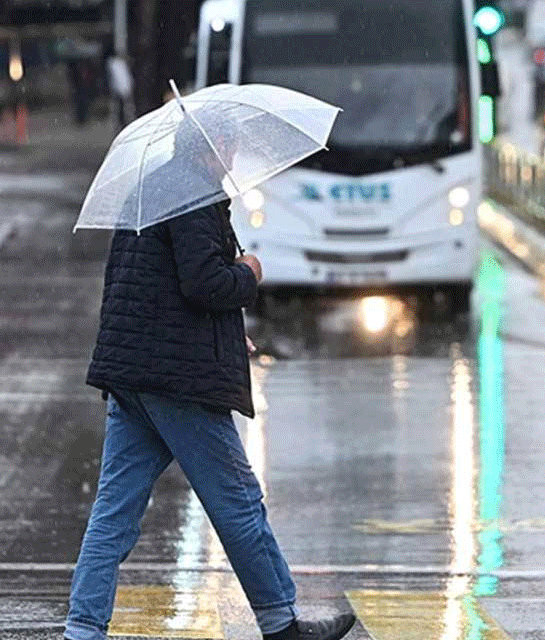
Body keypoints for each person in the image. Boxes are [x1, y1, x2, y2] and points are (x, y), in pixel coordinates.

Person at [65, 119, 358, 640]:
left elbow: (147, 287)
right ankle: (282, 624)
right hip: (179, 382)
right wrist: (249, 273)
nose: (236, 154)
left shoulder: (149, 189)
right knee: (238, 501)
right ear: (214, 145)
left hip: (134, 373)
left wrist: (224, 335)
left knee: (114, 512)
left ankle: (82, 630)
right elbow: (204, 283)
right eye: (233, 144)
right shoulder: (193, 195)